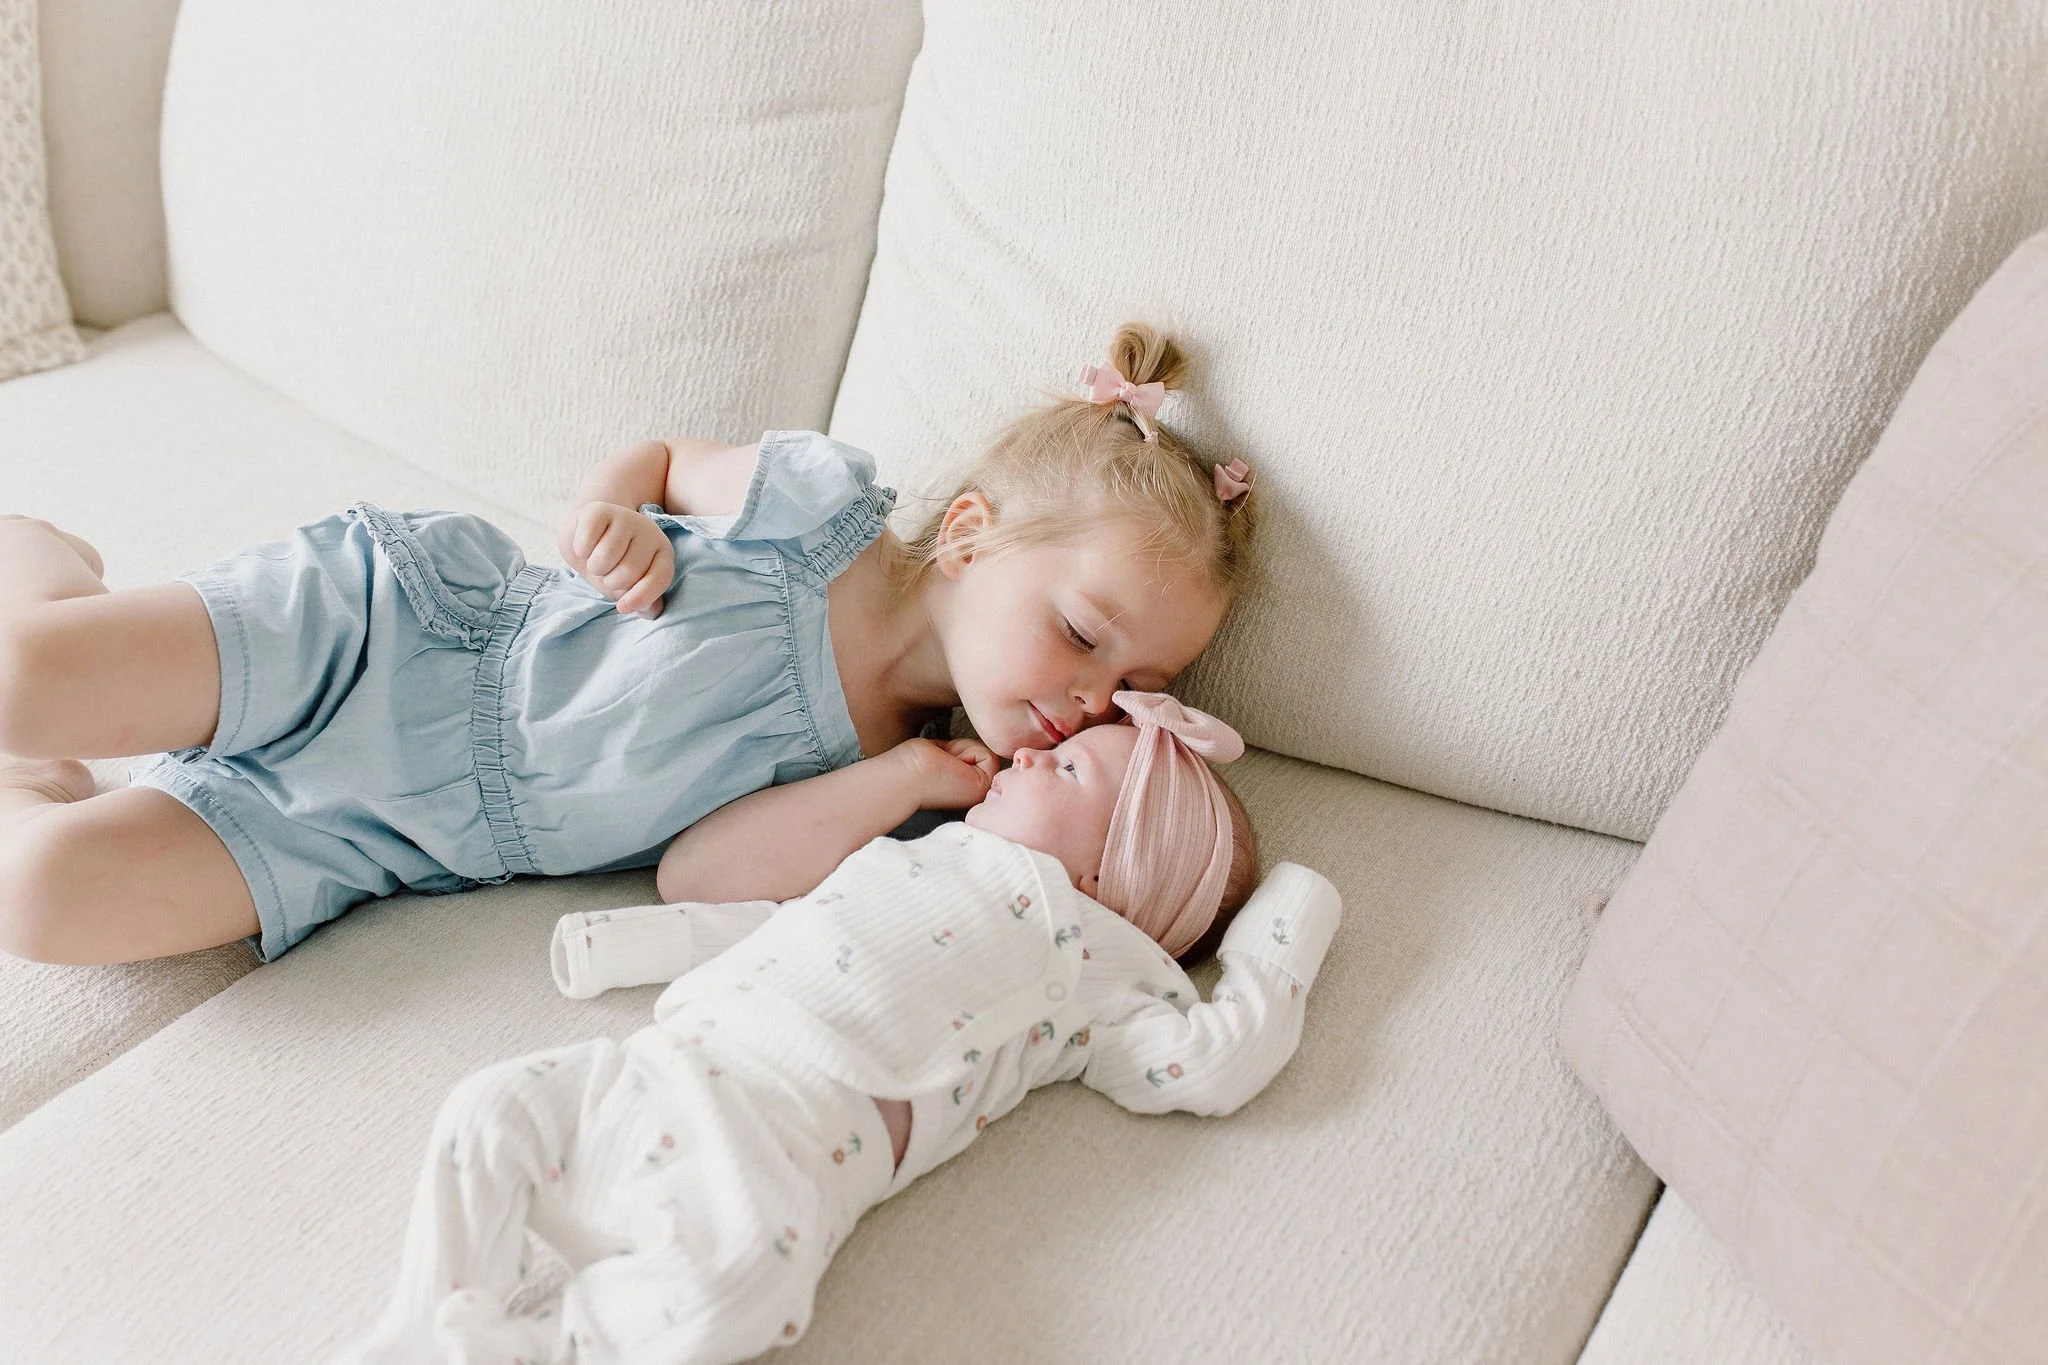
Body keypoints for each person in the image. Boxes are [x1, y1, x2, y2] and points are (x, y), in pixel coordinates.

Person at [0, 323, 1255, 965]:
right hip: (395, 635)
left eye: (1138, 687)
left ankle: (48, 780)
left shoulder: (922, 802)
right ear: (973, 536)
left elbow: (694, 879)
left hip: (392, 832)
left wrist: (908, 781)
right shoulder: (817, 516)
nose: (1094, 699)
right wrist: (601, 516)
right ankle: (45, 565)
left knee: (37, 896)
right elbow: (656, 463)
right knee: (17, 680)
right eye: (1084, 636)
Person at [341, 692, 1342, 1365]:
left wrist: (1287, 924)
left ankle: (551, 1343)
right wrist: (640, 942)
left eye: (1070, 772)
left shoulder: (1091, 962)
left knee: (735, 1286)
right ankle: (429, 1318)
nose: (1033, 749)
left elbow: (1207, 1060)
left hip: (767, 1155)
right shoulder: (915, 853)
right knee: (491, 1106)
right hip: (667, 1061)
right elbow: (786, 922)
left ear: (1107, 879)